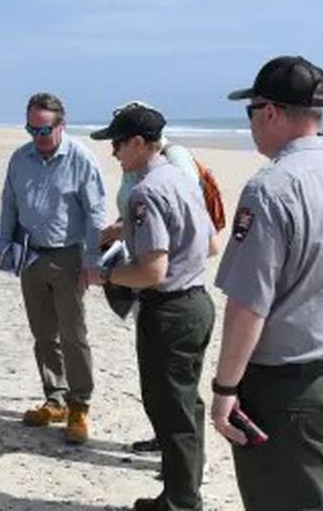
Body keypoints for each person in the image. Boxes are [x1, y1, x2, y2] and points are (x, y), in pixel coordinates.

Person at [210, 56, 323, 511]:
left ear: (269, 111)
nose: (249, 125)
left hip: (287, 391)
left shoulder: (271, 189)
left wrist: (225, 389)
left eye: (250, 112)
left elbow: (248, 304)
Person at [86, 101, 217, 511]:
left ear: (139, 143)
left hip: (171, 310)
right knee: (187, 404)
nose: (114, 153)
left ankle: (180, 501)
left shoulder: (146, 192)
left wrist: (105, 275)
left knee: (169, 407)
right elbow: (210, 244)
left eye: (118, 144)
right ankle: (185, 487)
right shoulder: (181, 178)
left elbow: (152, 272)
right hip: (197, 302)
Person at [0, 92, 106, 444]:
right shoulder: (20, 158)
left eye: (44, 130)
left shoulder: (81, 159)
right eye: (31, 129)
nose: (37, 137)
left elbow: (96, 215)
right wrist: (5, 245)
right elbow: (9, 204)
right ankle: (54, 398)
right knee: (43, 333)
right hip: (30, 255)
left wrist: (92, 262)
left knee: (73, 335)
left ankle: (79, 404)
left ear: (62, 125)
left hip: (69, 257)